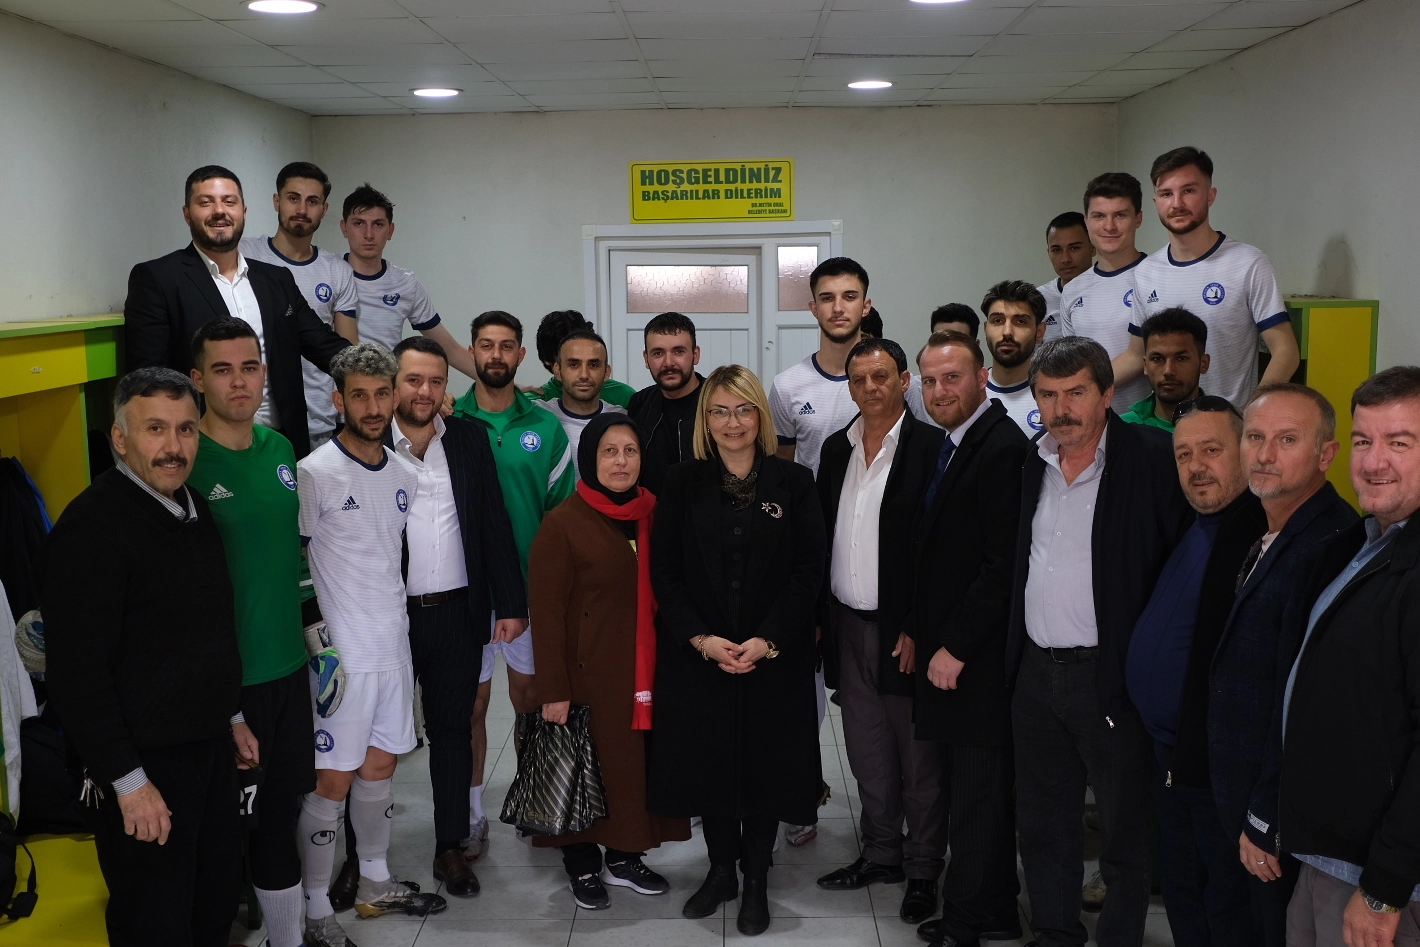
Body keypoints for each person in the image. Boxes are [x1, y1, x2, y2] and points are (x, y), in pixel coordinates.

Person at [44, 367, 243, 946]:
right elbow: (77, 676)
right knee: (153, 923)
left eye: (185, 429)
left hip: (208, 752)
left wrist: (231, 715)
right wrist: (129, 783)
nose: (173, 446)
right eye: (155, 428)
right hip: (145, 767)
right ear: (119, 437)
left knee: (212, 909)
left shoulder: (193, 507)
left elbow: (208, 626)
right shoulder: (91, 529)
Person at [1006, 336, 1192, 947]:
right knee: (1043, 821)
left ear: (1108, 394)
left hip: (1112, 678)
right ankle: (1055, 931)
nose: (1061, 409)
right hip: (1036, 673)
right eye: (1048, 395)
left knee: (1123, 827)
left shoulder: (1153, 460)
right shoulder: (1030, 462)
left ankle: (1119, 938)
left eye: (1076, 393)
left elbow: (1180, 569)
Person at [649, 364, 827, 936]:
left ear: (760, 416)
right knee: (711, 766)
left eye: (744, 409)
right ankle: (721, 870)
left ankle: (755, 880)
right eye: (720, 411)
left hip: (772, 656)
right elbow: (665, 572)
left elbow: (809, 571)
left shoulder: (794, 483)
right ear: (707, 420)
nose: (733, 422)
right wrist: (701, 639)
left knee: (765, 768)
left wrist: (768, 639)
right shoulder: (681, 482)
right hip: (701, 657)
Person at [296, 343, 445, 947]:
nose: (374, 406)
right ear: (339, 400)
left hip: (392, 648)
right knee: (331, 783)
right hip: (342, 660)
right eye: (360, 395)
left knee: (380, 768)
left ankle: (374, 883)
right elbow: (294, 567)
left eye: (383, 393)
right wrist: (320, 649)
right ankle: (314, 911)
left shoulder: (406, 471)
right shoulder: (315, 472)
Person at [1209, 383, 1356, 946]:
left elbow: (1305, 700)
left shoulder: (1330, 542)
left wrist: (1264, 814)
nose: (1265, 454)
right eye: (1255, 437)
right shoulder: (1267, 523)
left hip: (1276, 812)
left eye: (1287, 440)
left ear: (1326, 454)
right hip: (1238, 787)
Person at [185, 319, 316, 947]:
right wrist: (226, 703)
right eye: (222, 369)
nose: (238, 382)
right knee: (222, 833)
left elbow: (293, 558)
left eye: (249, 367)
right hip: (227, 684)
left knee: (279, 817)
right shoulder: (186, 462)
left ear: (264, 373)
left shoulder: (281, 448)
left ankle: (286, 939)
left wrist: (319, 644)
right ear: (198, 379)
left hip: (287, 670)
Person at [1280, 367, 1420, 946]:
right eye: (1364, 440)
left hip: (1385, 884)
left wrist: (1385, 887)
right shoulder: (1368, 543)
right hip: (1332, 857)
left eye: (1400, 443)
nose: (1373, 461)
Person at [1122, 396, 1269, 947]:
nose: (1196, 466)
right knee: (1184, 885)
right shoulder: (1195, 519)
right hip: (1169, 750)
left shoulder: (1256, 528)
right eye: (1184, 455)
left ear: (1246, 450)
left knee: (1223, 896)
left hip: (1216, 760)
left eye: (1212, 450)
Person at [529, 414, 691, 910]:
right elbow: (546, 614)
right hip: (588, 677)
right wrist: (553, 689)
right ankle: (581, 863)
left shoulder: (656, 513)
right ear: (590, 458)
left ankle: (624, 856)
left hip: (648, 672)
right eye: (609, 451)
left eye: (630, 451)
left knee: (631, 768)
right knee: (584, 768)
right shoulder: (564, 522)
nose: (621, 461)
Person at [815, 337, 948, 923]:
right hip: (846, 625)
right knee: (867, 753)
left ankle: (923, 869)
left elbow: (940, 552)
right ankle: (881, 854)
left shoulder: (931, 449)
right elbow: (820, 537)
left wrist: (919, 624)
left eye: (881, 377)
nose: (870, 388)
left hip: (903, 634)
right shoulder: (835, 449)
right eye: (859, 379)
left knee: (918, 761)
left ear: (904, 382)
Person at [390, 336, 528, 894]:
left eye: (435, 381)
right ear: (393, 384)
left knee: (452, 732)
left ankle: (449, 846)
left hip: (455, 613)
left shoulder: (468, 439)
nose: (425, 391)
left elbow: (494, 523)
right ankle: (361, 858)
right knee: (377, 741)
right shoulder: (367, 444)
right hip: (388, 621)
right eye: (413, 380)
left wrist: (511, 604)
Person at [910, 331, 1031, 947]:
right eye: (930, 381)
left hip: (976, 657)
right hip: (955, 648)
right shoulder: (959, 441)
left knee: (977, 795)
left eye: (952, 378)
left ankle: (963, 922)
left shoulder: (1000, 448)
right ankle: (999, 910)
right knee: (974, 788)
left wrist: (955, 646)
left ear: (983, 377)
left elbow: (1001, 567)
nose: (939, 392)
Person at [123, 164, 351, 458]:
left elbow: (324, 345)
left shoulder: (276, 280)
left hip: (280, 443)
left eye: (229, 202)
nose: (219, 211)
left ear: (243, 211)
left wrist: (385, 372)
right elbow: (149, 379)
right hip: (205, 450)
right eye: (206, 202)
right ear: (187, 213)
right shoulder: (159, 279)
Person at [452, 310, 576, 841]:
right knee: (472, 707)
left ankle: (535, 802)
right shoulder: (447, 420)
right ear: (472, 353)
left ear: (521, 355)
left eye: (506, 346)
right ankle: (472, 814)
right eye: (486, 345)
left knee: (531, 703)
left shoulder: (545, 427)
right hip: (466, 594)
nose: (496, 355)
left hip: (528, 594)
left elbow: (562, 518)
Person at [1128, 146, 1301, 408]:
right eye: (1166, 194)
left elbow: (1286, 351)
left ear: (1210, 196)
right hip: (1161, 426)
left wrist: (1253, 413)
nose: (1177, 203)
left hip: (1227, 425)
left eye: (1189, 190)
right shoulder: (1146, 271)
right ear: (1156, 202)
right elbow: (1136, 354)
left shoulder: (1249, 263)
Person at [239, 161, 359, 450]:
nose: (302, 209)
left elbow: (345, 350)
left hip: (319, 422)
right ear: (277, 201)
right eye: (293, 198)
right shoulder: (244, 255)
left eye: (312, 201)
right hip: (256, 418)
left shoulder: (337, 270)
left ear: (324, 209)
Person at [338, 182, 481, 382]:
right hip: (329, 394)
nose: (369, 234)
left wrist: (506, 385)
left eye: (378, 224)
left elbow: (449, 348)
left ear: (390, 230)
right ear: (344, 227)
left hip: (385, 391)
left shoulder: (405, 283)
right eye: (359, 223)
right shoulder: (328, 273)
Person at [770, 256, 874, 476]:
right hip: (814, 499)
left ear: (865, 307)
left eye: (849, 297)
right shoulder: (786, 386)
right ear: (814, 308)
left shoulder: (894, 383)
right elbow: (782, 469)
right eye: (827, 298)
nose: (838, 308)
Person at [1059, 172, 1152, 413]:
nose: (1109, 226)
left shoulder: (1156, 277)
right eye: (1099, 216)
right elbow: (1073, 361)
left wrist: (1085, 387)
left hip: (1143, 423)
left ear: (1138, 219)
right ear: (1086, 221)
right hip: (1088, 420)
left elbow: (1143, 356)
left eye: (1120, 215)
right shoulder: (1072, 290)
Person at [627, 311, 704, 497]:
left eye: (678, 351)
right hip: (651, 512)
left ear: (695, 355)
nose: (668, 362)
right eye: (658, 353)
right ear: (646, 359)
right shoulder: (639, 403)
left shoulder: (719, 403)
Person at [535, 329, 628, 474]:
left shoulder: (622, 420)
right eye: (574, 365)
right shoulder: (537, 415)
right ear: (558, 371)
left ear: (606, 372)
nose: (584, 375)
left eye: (593, 365)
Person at [1120, 307, 1211, 432]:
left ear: (1204, 363)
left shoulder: (1226, 427)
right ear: (1145, 365)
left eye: (1181, 358)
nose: (1168, 371)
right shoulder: (1122, 428)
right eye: (1157, 359)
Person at [982, 279, 1048, 437]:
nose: (1007, 332)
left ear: (1039, 332)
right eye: (998, 321)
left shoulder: (1056, 396)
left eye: (1020, 321)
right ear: (985, 329)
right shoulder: (968, 393)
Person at [530, 309, 636, 407]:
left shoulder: (624, 396)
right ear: (550, 361)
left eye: (592, 364)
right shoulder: (532, 404)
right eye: (573, 363)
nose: (584, 375)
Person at [1040, 211, 1095, 342]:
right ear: (1048, 253)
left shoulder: (1112, 292)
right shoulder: (1039, 299)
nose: (1065, 259)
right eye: (1057, 250)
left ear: (1093, 248)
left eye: (1074, 248)